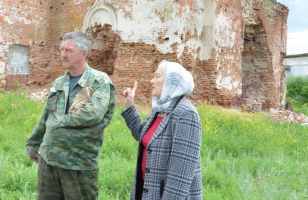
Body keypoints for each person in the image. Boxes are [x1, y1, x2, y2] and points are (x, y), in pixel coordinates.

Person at [25, 32, 116, 200]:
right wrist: (33, 142)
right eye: (62, 50)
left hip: (77, 164)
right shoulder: (59, 82)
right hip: (49, 161)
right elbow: (47, 115)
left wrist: (60, 122)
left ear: (84, 53)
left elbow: (93, 113)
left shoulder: (99, 82)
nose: (63, 55)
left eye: (68, 50)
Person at [118, 60, 202, 200]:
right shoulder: (160, 110)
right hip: (146, 190)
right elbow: (142, 134)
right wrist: (130, 105)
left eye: (157, 76)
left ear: (171, 81)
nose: (151, 81)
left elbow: (181, 175)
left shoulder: (186, 113)